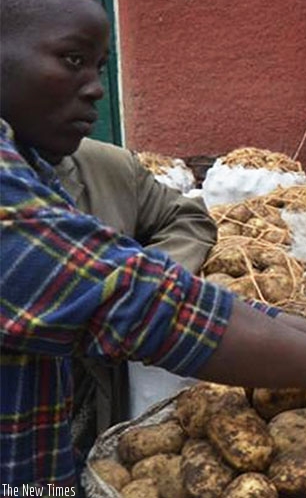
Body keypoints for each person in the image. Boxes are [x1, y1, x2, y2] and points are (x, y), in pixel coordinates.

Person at [0, 0, 306, 489]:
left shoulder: (40, 166)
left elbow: (147, 272)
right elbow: (134, 299)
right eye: (72, 60)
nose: (96, 87)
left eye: (101, 66)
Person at [51, 138, 219, 460]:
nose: (94, 91)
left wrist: (141, 285)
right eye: (74, 81)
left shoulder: (108, 167)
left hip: (91, 406)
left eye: (95, 81)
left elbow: (188, 219)